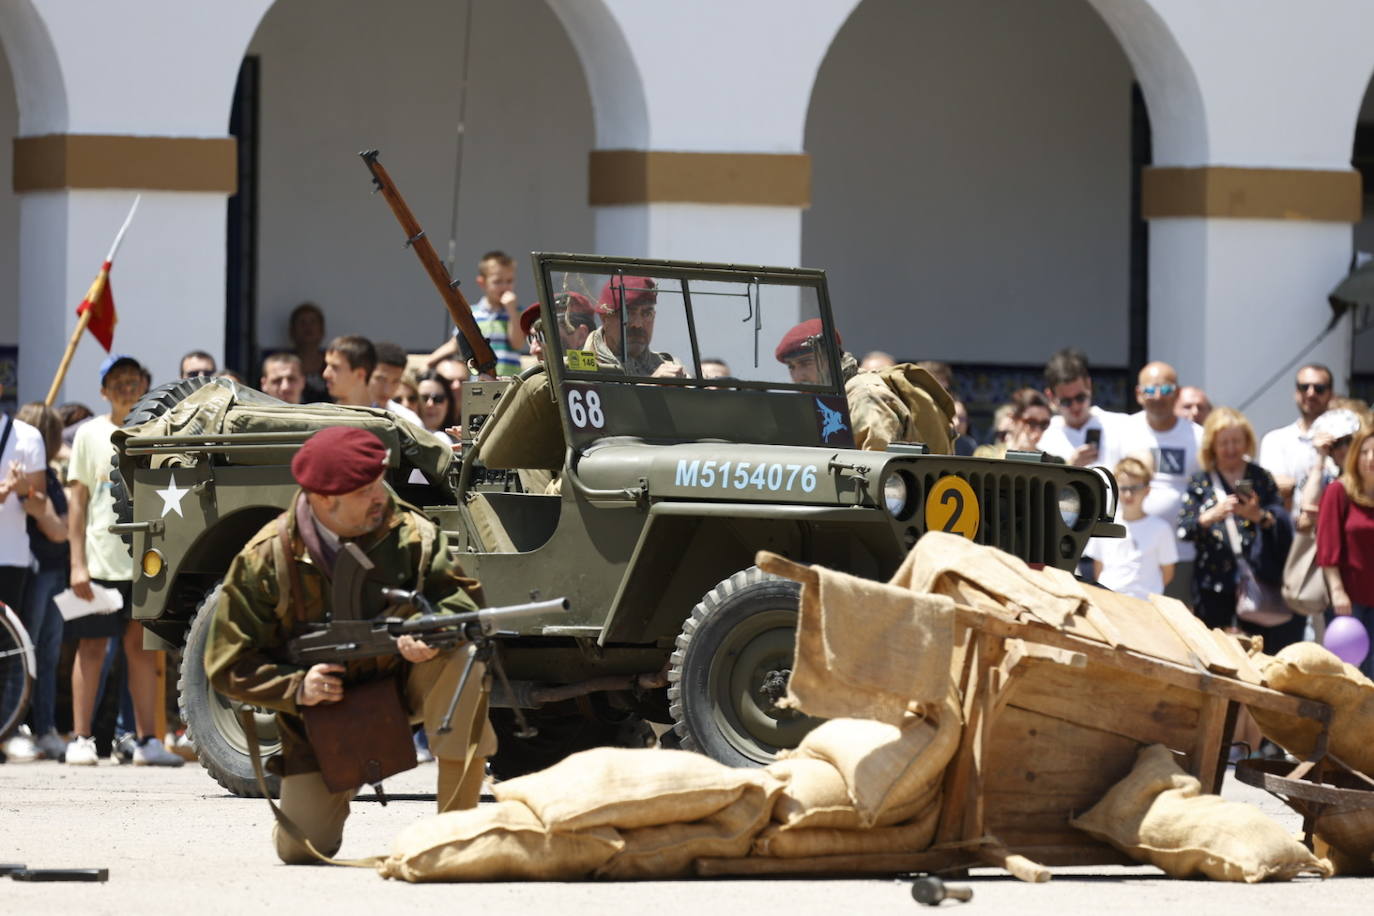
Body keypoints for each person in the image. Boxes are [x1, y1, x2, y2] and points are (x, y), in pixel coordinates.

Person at [204, 427, 495, 862]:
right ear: (325, 499)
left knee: (464, 659)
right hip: (323, 721)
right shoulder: (266, 560)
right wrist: (297, 687)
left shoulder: (411, 534)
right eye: (365, 490)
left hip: (401, 688)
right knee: (301, 848)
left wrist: (431, 630)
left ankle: (454, 838)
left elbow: (462, 599)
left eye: (380, 482)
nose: (381, 496)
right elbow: (226, 664)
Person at [66, 355, 182, 766]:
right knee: (91, 646)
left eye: (133, 380)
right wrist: (76, 563)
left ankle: (146, 738)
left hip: (145, 562)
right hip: (98, 561)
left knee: (142, 648)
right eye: (117, 381)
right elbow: (77, 503)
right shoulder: (88, 435)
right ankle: (81, 738)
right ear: (103, 389)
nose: (126, 387)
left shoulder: (157, 431)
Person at [1178, 408, 1298, 643]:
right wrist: (1212, 515)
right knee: (1214, 646)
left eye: (1236, 441)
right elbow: (1185, 528)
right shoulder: (1201, 480)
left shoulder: (1261, 477)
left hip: (1258, 580)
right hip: (1212, 585)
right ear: (1212, 445)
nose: (1231, 449)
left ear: (1247, 442)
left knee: (1258, 649)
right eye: (1224, 443)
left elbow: (1281, 524)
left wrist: (1258, 516)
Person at [777, 319, 953, 454]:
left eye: (805, 363)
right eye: (791, 367)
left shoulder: (863, 394)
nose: (798, 376)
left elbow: (874, 468)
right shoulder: (828, 398)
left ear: (830, 358)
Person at [3, 404, 69, 761]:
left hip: (49, 570)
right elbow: (56, 529)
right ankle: (24, 726)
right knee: (25, 654)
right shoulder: (25, 466)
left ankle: (40, 727)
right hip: (36, 570)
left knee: (43, 654)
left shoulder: (49, 476)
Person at [1116, 361, 1203, 606]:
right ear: (1138, 393)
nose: (1157, 396)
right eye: (1150, 389)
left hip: (1181, 552)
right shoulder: (1123, 430)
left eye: (1165, 390)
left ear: (1176, 393)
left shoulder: (1197, 436)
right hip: (1131, 550)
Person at [1317, 422, 1374, 680]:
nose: (1371, 459)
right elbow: (1328, 545)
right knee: (1349, 674)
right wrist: (1337, 591)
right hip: (1351, 603)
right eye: (1364, 452)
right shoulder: (1339, 491)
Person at [1084, 457, 1177, 600]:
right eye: (1123, 488)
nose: (1128, 495)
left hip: (1145, 604)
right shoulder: (1104, 525)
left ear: (1147, 490)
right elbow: (1098, 566)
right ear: (1116, 489)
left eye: (1135, 488)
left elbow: (1168, 572)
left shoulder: (1161, 529)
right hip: (1109, 600)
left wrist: (1148, 593)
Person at [427, 251, 526, 377]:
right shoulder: (472, 313)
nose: (505, 286)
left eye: (509, 281)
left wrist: (512, 311)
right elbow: (454, 344)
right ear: (482, 283)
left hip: (510, 381)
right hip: (480, 380)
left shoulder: (517, 313)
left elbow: (517, 344)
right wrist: (429, 361)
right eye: (497, 282)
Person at [1260, 363, 1335, 511]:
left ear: (1331, 394)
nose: (1311, 393)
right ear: (1296, 392)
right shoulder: (1275, 440)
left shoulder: (1344, 441)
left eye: (1319, 388)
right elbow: (1273, 490)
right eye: (1304, 387)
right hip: (1289, 531)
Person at [1036, 348, 1125, 468]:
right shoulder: (1043, 437)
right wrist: (1070, 467)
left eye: (1080, 398)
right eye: (1066, 402)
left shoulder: (1120, 425)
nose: (1075, 407)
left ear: (1089, 385)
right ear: (1051, 397)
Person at [0, 379, 45, 614]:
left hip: (10, 558)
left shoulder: (28, 437)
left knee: (7, 644)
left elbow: (40, 507)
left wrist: (24, 490)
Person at [588, 277, 684, 377]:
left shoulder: (666, 367)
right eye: (628, 314)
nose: (637, 324)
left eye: (647, 314)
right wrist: (652, 386)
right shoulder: (579, 366)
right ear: (605, 318)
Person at [288, 302, 331, 403]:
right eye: (302, 322)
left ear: (322, 330)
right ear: (292, 331)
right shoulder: (282, 365)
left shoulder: (331, 364)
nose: (308, 327)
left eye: (313, 322)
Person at [322, 335, 376, 408]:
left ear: (360, 374)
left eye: (335, 367)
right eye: (327, 365)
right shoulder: (322, 416)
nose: (325, 374)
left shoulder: (386, 418)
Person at [1005, 388, 1052, 453]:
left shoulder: (1051, 461)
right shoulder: (989, 457)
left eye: (1044, 424)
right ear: (1013, 420)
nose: (1037, 432)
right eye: (1031, 422)